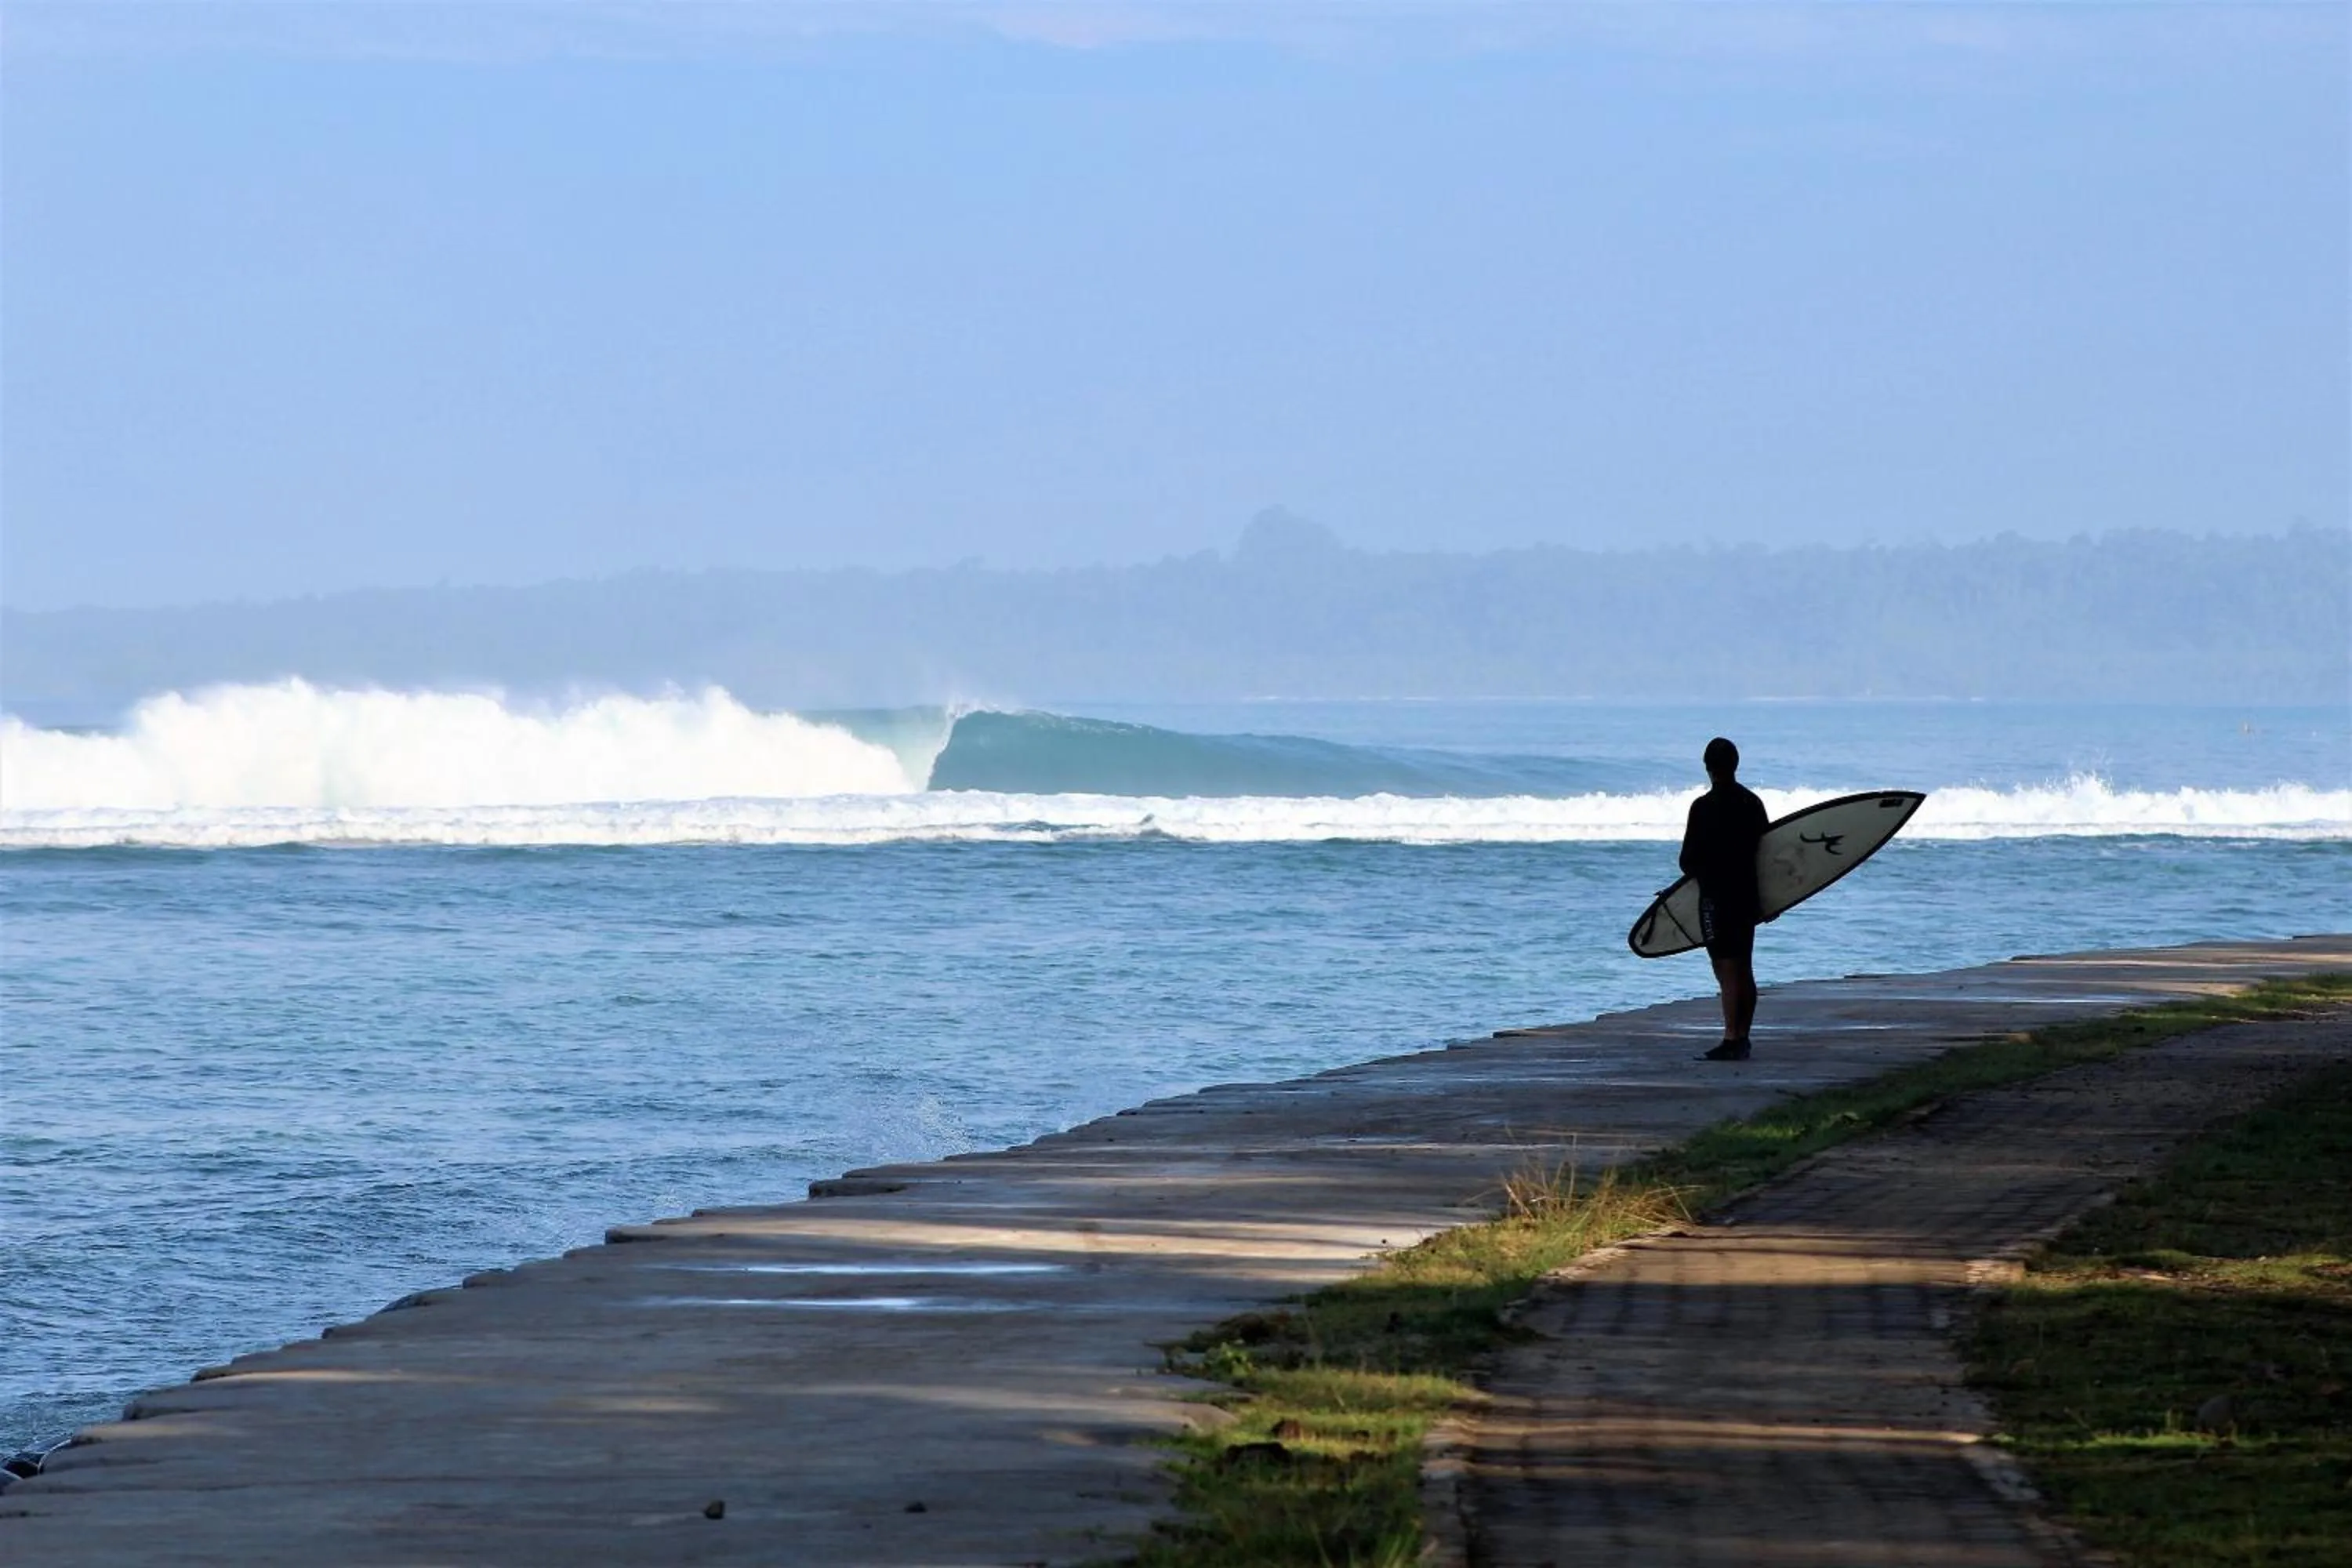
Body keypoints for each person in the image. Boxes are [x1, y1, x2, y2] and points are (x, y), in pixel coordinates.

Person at [1680, 736, 1769, 1061]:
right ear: (1735, 765)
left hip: (1716, 898)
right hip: (1747, 896)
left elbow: (1687, 860)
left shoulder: (1703, 807)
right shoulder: (1752, 803)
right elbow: (1770, 854)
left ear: (1708, 767)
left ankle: (1732, 1039)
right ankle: (1742, 1036)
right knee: (1743, 966)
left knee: (1726, 967)